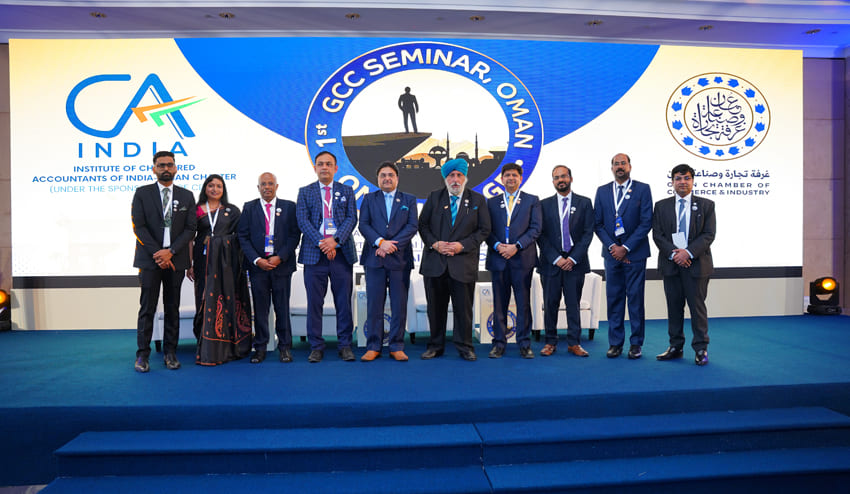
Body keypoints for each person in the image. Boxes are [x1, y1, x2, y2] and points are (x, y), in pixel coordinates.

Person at [418, 158, 491, 361]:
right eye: (451, 175)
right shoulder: (434, 197)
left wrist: (462, 245)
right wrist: (434, 244)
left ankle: (465, 346)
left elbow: (484, 230)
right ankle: (435, 346)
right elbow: (422, 225)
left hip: (463, 264)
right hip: (436, 264)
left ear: (465, 177)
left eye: (459, 175)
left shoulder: (477, 200)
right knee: (435, 310)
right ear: (445, 178)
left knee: (463, 310)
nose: (455, 179)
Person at [131, 151, 196, 372]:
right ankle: (142, 355)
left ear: (176, 168)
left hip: (176, 260)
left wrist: (171, 252)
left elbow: (190, 229)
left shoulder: (186, 195)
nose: (166, 168)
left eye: (169, 164)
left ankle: (170, 353)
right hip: (150, 260)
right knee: (147, 308)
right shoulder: (142, 193)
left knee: (172, 308)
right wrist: (158, 253)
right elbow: (138, 226)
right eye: (161, 165)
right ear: (154, 169)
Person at [296, 151, 358, 363]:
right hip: (314, 255)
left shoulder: (346, 191)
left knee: (343, 302)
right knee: (314, 303)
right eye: (320, 164)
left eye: (328, 164)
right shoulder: (305, 192)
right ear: (315, 167)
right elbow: (303, 221)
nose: (324, 167)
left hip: (341, 255)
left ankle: (345, 345)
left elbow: (351, 218)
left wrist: (335, 241)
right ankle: (316, 346)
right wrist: (323, 243)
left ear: (335, 168)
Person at [652, 164, 716, 366]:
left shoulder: (707, 205)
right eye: (678, 178)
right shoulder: (661, 206)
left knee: (697, 309)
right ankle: (675, 347)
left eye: (686, 178)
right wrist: (675, 254)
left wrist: (687, 252)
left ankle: (701, 348)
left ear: (693, 181)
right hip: (671, 265)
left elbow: (709, 234)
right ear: (672, 182)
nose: (682, 182)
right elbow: (658, 235)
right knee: (674, 308)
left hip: (696, 266)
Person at [188, 174, 253, 365]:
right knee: (204, 298)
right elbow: (190, 238)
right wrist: (190, 264)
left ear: (223, 190)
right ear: (205, 188)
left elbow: (241, 236)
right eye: (211, 185)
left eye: (219, 186)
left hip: (227, 264)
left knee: (228, 299)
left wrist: (220, 242)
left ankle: (230, 346)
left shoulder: (232, 210)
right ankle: (206, 345)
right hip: (203, 261)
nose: (214, 189)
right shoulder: (196, 210)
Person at [593, 153, 653, 360]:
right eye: (616, 164)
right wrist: (613, 247)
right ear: (612, 168)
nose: (620, 167)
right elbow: (598, 224)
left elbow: (646, 222)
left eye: (623, 163)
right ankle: (615, 343)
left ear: (630, 166)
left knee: (635, 300)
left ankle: (636, 344)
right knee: (614, 299)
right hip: (611, 256)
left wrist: (626, 248)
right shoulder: (602, 191)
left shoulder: (643, 189)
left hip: (635, 254)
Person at [358, 162, 419, 362]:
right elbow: (363, 224)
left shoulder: (409, 199)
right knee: (374, 305)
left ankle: (397, 346)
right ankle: (373, 346)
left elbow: (412, 226)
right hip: (374, 258)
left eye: (390, 175)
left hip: (399, 259)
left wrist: (391, 245)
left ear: (397, 178)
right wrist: (380, 242)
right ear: (377, 179)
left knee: (399, 305)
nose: (387, 178)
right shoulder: (369, 199)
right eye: (383, 175)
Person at [237, 172, 300, 364]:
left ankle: (285, 347)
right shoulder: (249, 208)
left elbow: (294, 235)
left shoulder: (289, 207)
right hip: (258, 268)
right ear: (258, 188)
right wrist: (257, 260)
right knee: (260, 310)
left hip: (282, 266)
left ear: (276, 186)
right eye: (263, 184)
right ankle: (260, 348)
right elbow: (243, 237)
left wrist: (280, 257)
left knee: (282, 308)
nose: (267, 187)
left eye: (270, 183)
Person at [485, 163, 541, 359]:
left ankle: (524, 343)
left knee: (523, 303)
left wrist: (516, 246)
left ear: (520, 178)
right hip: (498, 259)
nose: (511, 178)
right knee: (499, 304)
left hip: (522, 260)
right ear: (502, 179)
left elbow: (536, 228)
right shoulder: (491, 202)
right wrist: (497, 245)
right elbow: (485, 229)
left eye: (514, 175)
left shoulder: (532, 200)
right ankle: (499, 343)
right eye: (507, 175)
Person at [537, 165, 595, 358]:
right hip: (550, 263)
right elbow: (540, 235)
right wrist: (556, 258)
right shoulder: (543, 205)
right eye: (556, 177)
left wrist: (572, 258)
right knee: (550, 304)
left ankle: (574, 343)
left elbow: (588, 233)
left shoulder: (584, 203)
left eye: (563, 176)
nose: (560, 180)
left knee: (573, 305)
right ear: (553, 181)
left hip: (575, 263)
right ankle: (550, 342)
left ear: (570, 178)